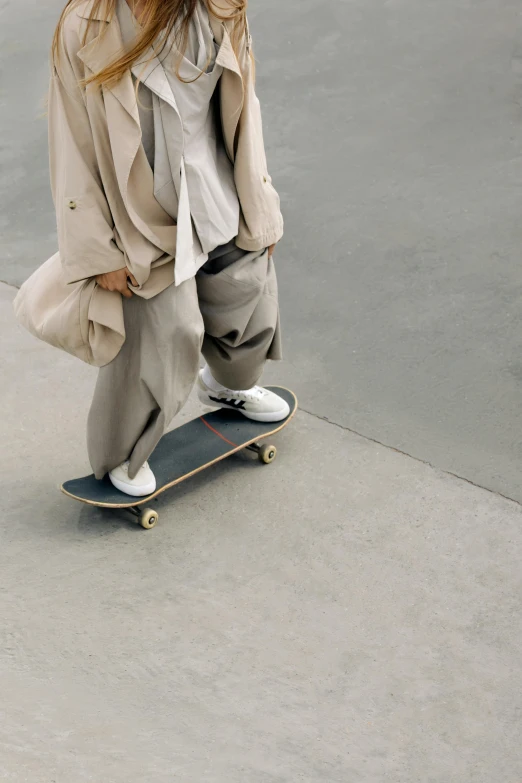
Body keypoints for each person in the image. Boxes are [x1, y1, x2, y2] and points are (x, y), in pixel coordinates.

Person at [46, 0, 287, 497]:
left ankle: (229, 386)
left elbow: (247, 109)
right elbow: (70, 143)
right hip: (140, 217)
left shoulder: (218, 8)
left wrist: (260, 204)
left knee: (248, 301)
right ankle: (123, 454)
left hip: (215, 189)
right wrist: (100, 253)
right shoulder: (83, 26)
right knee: (162, 339)